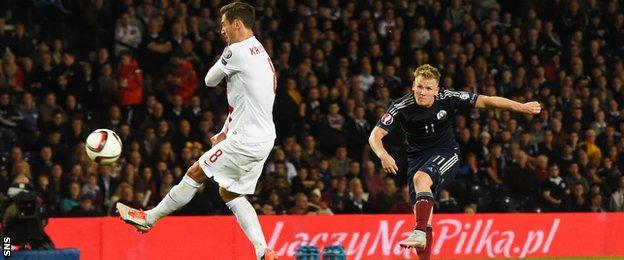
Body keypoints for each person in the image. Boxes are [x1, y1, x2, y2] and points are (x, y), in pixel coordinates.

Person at [116, 3, 278, 259]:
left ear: (237, 24)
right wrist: (226, 129)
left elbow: (209, 80)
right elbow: (248, 100)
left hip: (246, 139)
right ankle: (263, 250)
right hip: (263, 136)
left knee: (196, 172)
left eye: (224, 23)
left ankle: (149, 217)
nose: (221, 29)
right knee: (229, 192)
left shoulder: (236, 51)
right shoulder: (260, 51)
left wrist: (226, 54)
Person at [368, 64, 541, 259]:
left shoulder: (448, 97)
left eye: (428, 88)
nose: (422, 92)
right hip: (417, 159)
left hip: (446, 153)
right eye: (419, 87)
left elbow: (487, 101)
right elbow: (375, 135)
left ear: (436, 89)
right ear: (413, 86)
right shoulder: (401, 106)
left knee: (421, 181)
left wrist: (521, 107)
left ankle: (418, 231)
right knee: (424, 220)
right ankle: (421, 236)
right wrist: (382, 154)